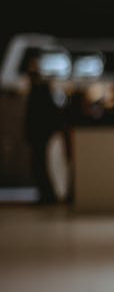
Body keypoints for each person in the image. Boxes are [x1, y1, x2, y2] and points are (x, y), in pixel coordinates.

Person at [23, 55, 66, 204]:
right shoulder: (39, 89)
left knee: (40, 165)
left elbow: (43, 114)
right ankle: (46, 194)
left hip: (41, 134)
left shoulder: (40, 89)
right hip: (40, 133)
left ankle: (47, 195)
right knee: (40, 165)